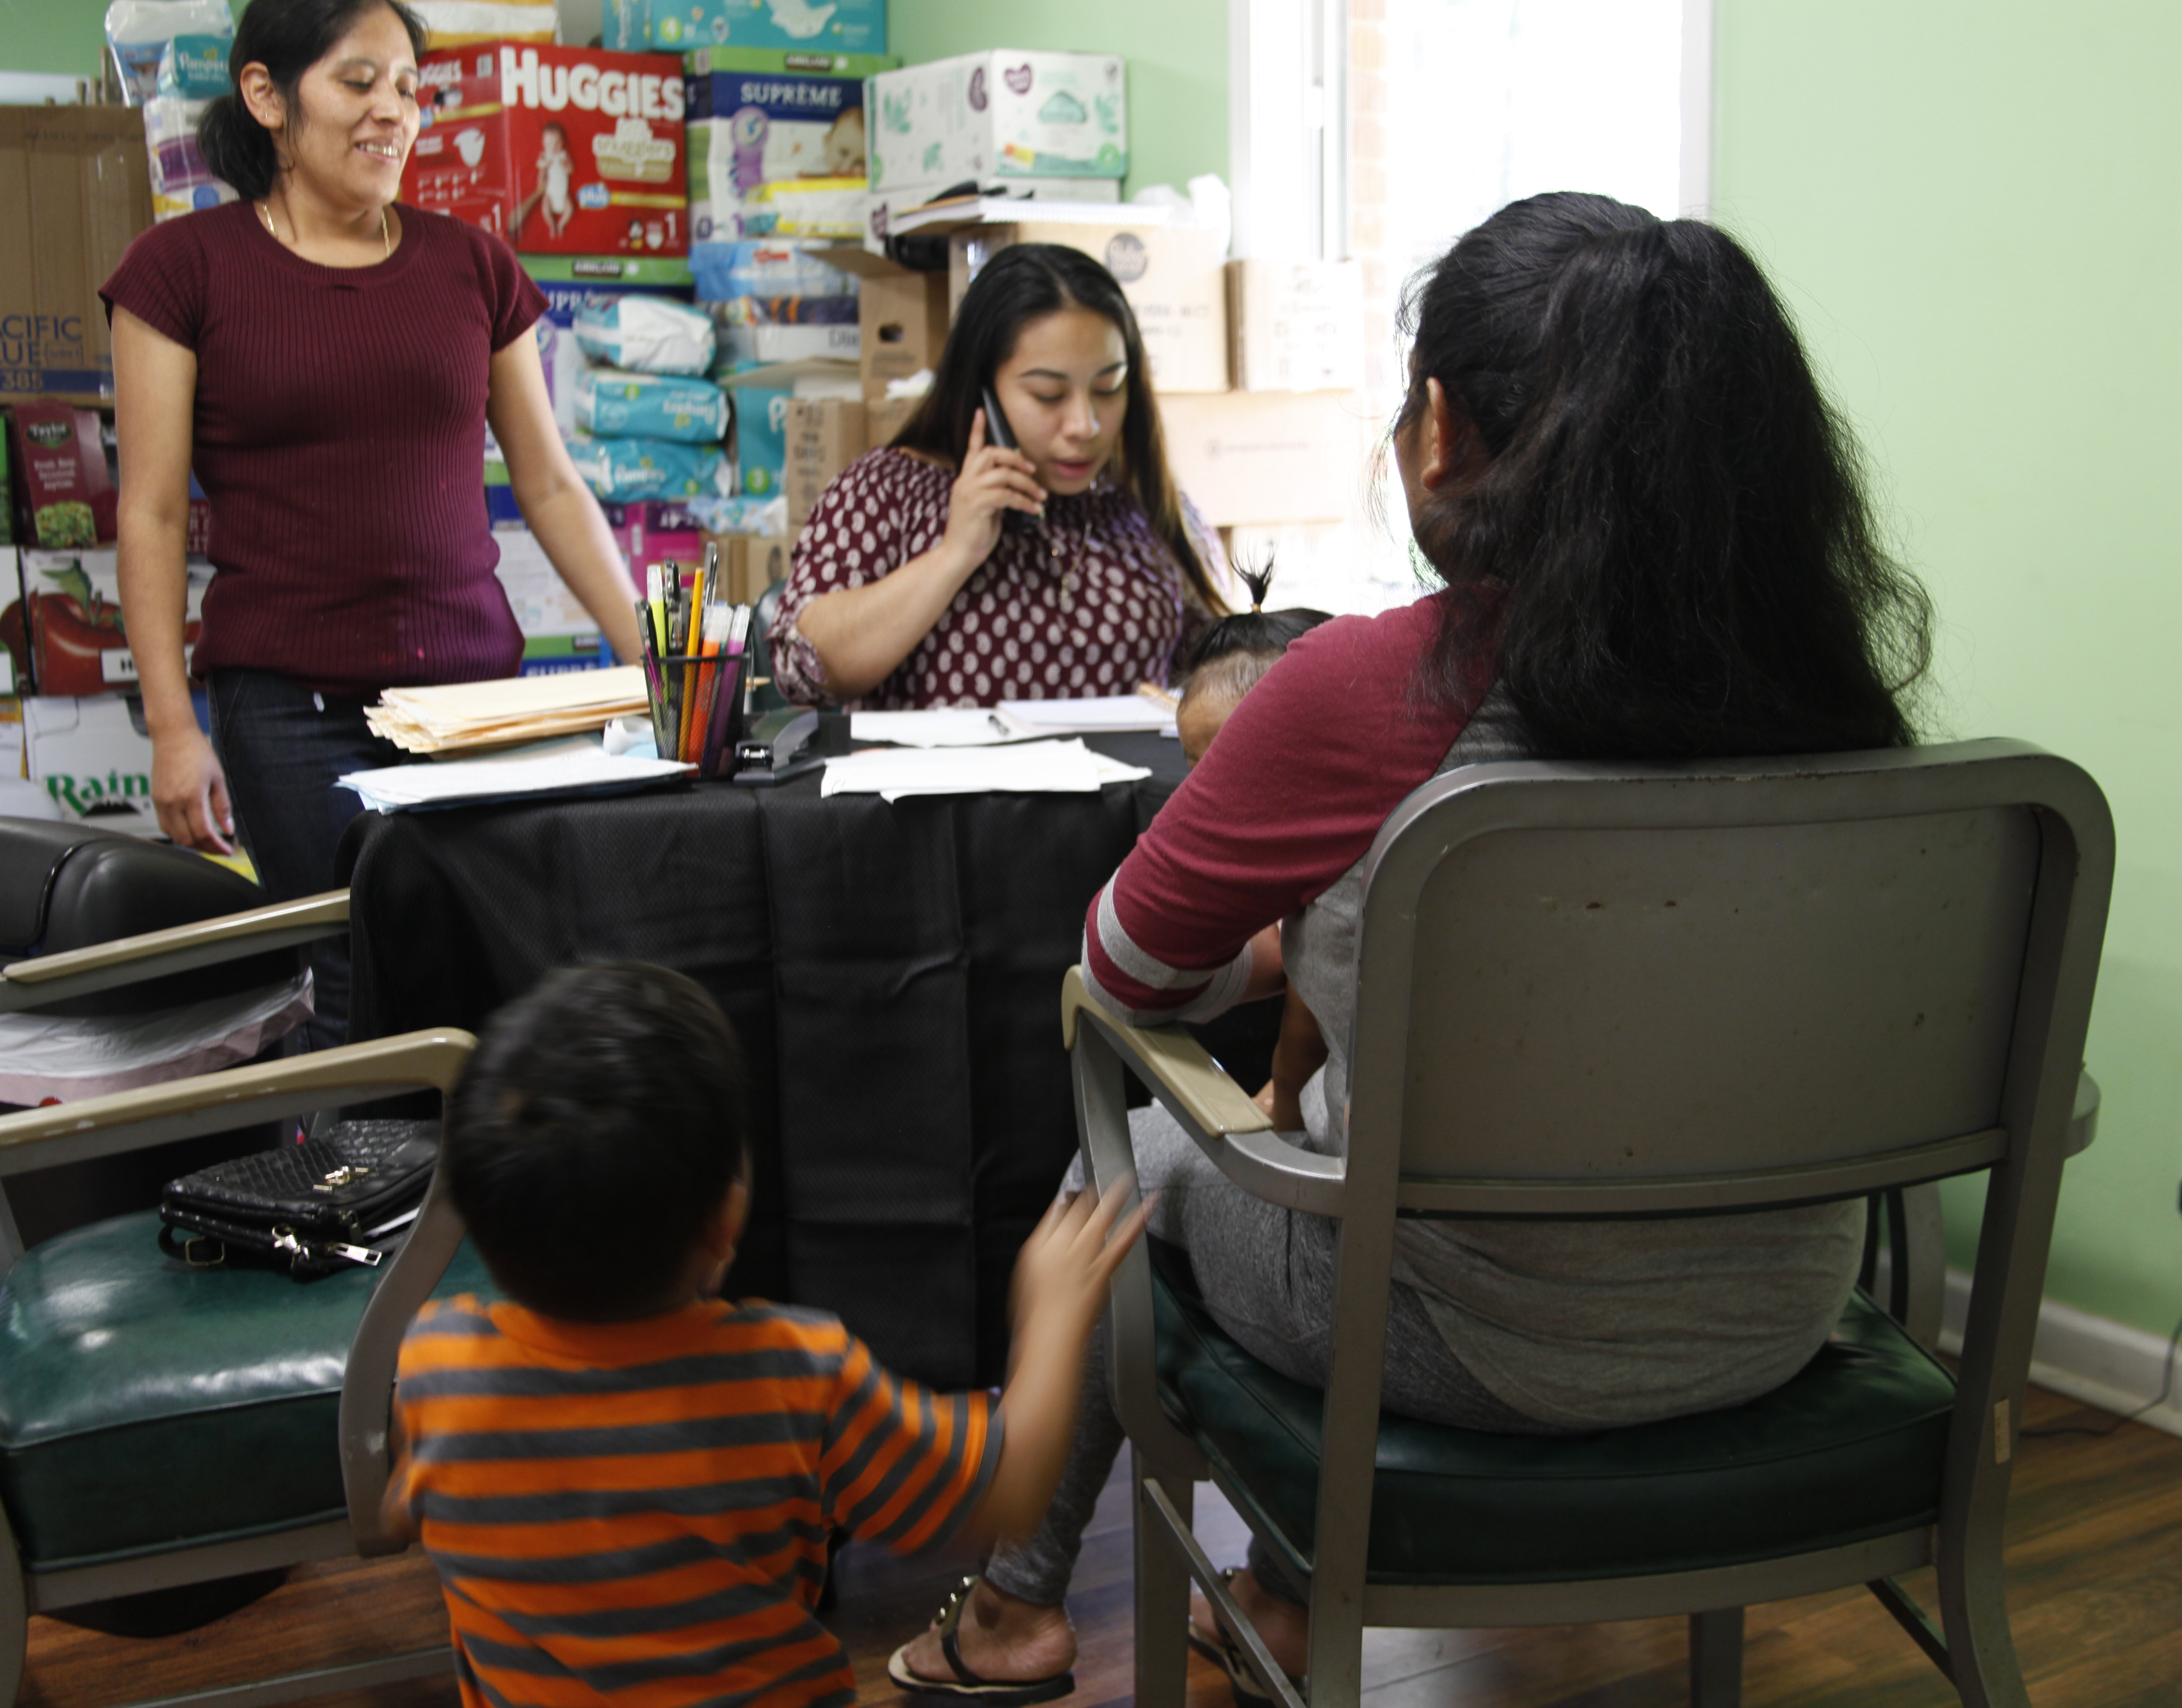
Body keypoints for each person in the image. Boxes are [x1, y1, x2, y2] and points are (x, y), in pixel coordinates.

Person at [886, 191, 1935, 1703]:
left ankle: (1014, 1613)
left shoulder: (1366, 689)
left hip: (1470, 1338)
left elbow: (1120, 980)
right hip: (1782, 1317)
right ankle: (1288, 1599)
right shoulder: (1851, 720)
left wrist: (1272, 957)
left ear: (1439, 428)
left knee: (1121, 1164)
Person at [388, 961, 1150, 1708]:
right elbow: (1006, 1491)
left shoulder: (436, 1364)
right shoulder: (791, 1374)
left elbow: (410, 1499)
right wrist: (1051, 1312)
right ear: (724, 1225)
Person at [104, 0, 643, 1047]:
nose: (392, 112)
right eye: (358, 83)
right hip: (291, 713)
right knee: (358, 989)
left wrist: (653, 659)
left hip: (472, 708)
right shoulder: (181, 272)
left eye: (407, 87)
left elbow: (549, 483)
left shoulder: (472, 266)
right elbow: (153, 511)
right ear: (267, 95)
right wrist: (175, 727)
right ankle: (365, 1213)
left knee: (495, 980)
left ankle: (481, 1213)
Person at [767, 243, 1231, 710]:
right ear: (982, 389)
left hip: (1127, 784)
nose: (1084, 424)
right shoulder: (885, 493)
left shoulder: (1153, 510)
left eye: (1108, 389)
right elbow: (803, 670)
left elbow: (1228, 679)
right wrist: (954, 554)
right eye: (1048, 395)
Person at [1172, 561, 1332, 1135]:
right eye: (1193, 771)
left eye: (1231, 770)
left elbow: (1300, 1059)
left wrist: (1280, 1107)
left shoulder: (1333, 896)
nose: (1203, 799)